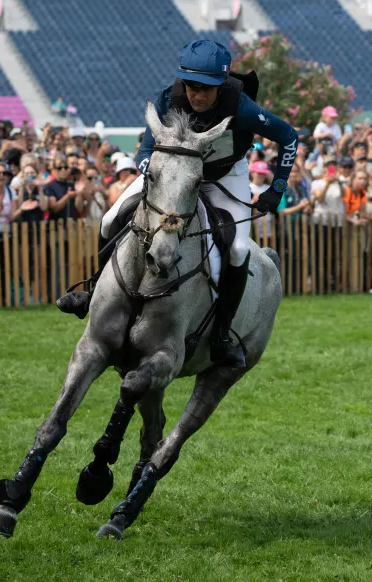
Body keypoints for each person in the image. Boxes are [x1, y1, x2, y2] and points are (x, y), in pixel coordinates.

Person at [77, 39, 298, 368]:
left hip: (224, 176)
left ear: (221, 86)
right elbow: (146, 149)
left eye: (206, 89)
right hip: (175, 175)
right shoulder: (170, 97)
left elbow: (289, 136)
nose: (196, 95)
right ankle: (93, 288)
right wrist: (149, 174)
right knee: (111, 217)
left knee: (237, 249)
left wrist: (275, 190)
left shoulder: (243, 107)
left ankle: (222, 334)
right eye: (192, 86)